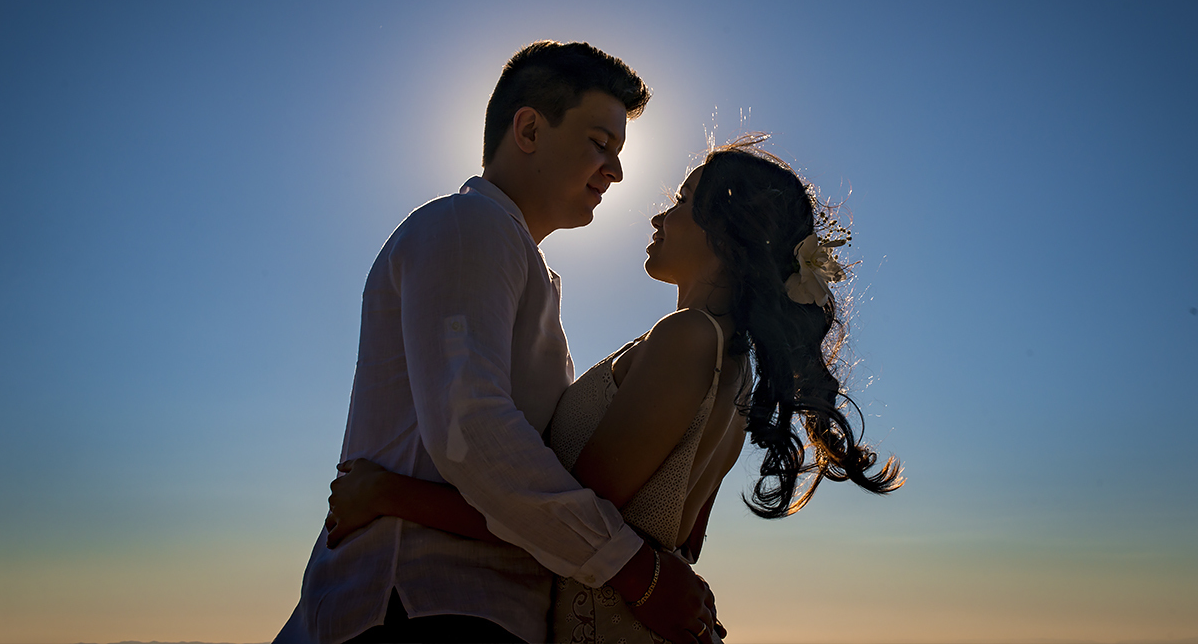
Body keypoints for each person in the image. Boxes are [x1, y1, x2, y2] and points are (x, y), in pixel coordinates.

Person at [326, 135, 905, 643]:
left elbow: (560, 513)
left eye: (681, 204)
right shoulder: (734, 369)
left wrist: (386, 495)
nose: (660, 218)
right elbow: (676, 539)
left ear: (727, 238)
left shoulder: (687, 339)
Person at [276, 40, 718, 644]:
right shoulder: (468, 227)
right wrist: (637, 574)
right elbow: (472, 433)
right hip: (426, 600)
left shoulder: (514, 260)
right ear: (530, 130)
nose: (616, 171)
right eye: (599, 143)